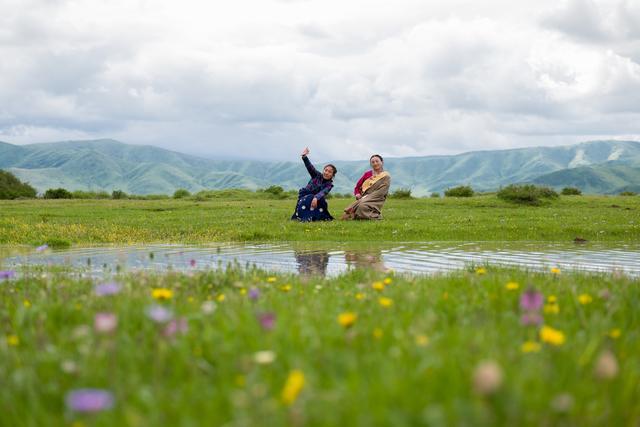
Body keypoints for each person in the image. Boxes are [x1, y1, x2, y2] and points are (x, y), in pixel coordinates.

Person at [291, 147, 337, 222]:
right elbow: (309, 167)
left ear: (332, 175)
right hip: (305, 196)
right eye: (325, 170)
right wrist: (304, 157)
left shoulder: (329, 185)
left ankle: (315, 217)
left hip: (317, 199)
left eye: (329, 172)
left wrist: (316, 198)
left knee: (322, 202)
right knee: (309, 198)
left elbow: (323, 192)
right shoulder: (316, 175)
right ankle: (304, 216)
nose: (326, 173)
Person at [342, 154, 391, 220]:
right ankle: (360, 215)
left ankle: (375, 216)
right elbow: (357, 187)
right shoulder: (367, 174)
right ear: (371, 164)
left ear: (382, 162)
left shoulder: (386, 176)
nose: (375, 163)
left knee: (362, 206)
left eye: (377, 161)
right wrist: (357, 194)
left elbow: (382, 192)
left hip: (377, 198)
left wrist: (366, 197)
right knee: (346, 215)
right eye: (373, 162)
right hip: (363, 197)